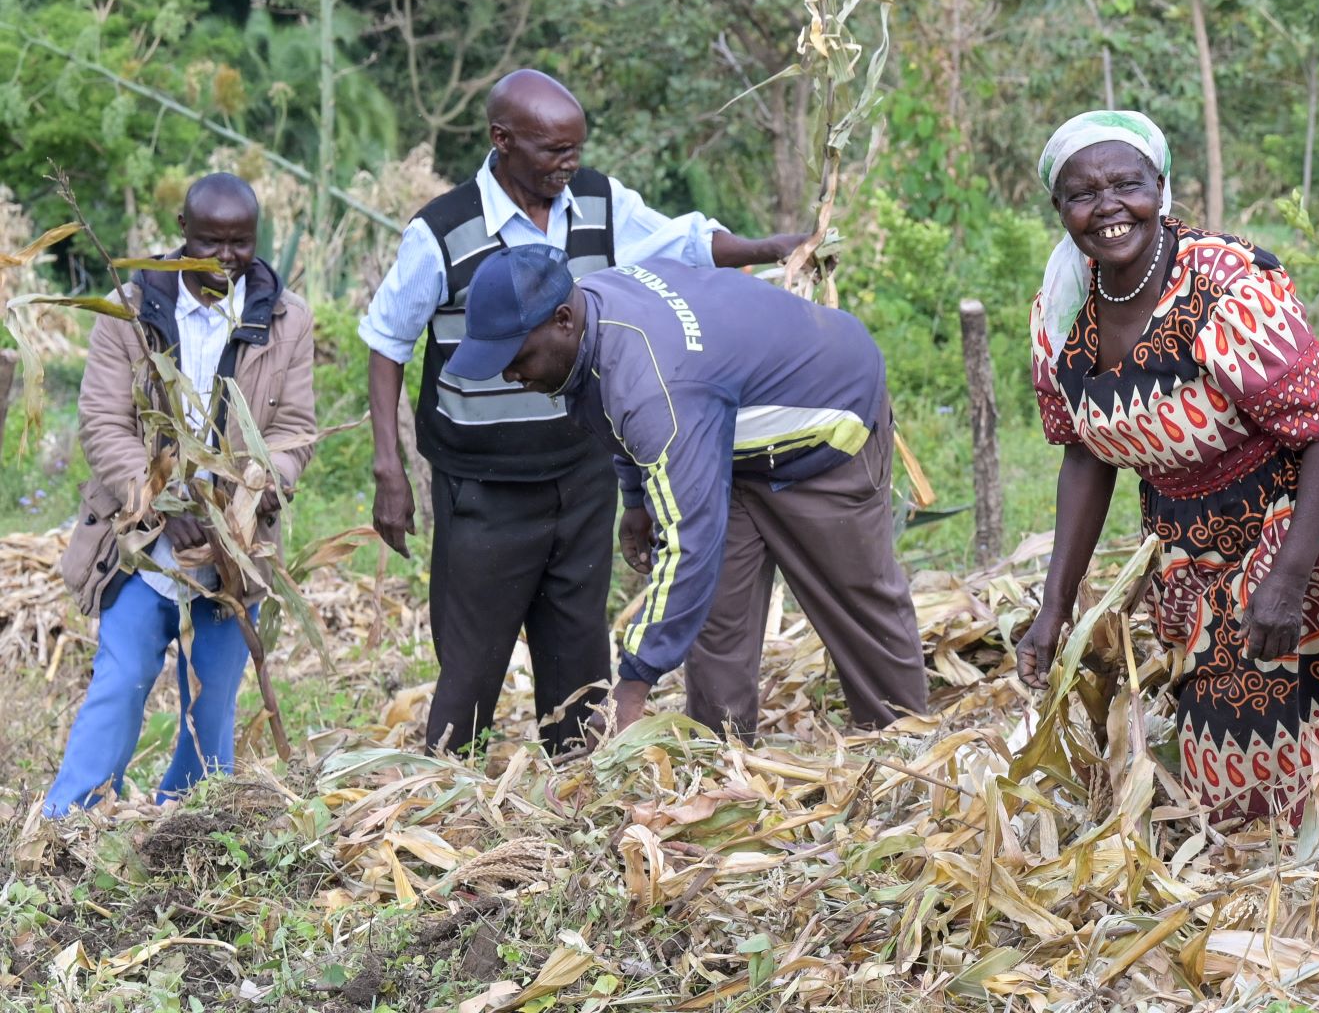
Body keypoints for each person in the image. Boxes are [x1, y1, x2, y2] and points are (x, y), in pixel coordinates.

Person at [359, 68, 805, 754]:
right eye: (552, 151)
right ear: (501, 140)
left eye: (575, 149)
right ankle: (449, 788)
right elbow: (387, 340)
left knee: (579, 654)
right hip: (483, 485)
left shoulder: (598, 202)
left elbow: (682, 242)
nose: (568, 164)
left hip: (583, 471)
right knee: (472, 660)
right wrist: (389, 468)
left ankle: (578, 783)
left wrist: (769, 250)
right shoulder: (442, 231)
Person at [1015, 111, 1319, 824]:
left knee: (1312, 738)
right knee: (1221, 751)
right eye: (1083, 193)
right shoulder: (1062, 310)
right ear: (1060, 210)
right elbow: (1084, 457)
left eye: (1127, 185)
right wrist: (1053, 608)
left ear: (1162, 188)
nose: (1108, 207)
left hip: (1300, 524)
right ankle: (1257, 895)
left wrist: (1290, 576)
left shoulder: (1223, 286)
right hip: (1189, 547)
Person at [453, 245, 927, 736]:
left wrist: (633, 685)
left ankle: (904, 749)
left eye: (516, 356)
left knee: (856, 602)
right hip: (722, 434)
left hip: (826, 420)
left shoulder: (656, 384)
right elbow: (622, 410)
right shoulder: (599, 305)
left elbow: (687, 538)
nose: (510, 374)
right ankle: (723, 763)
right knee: (717, 619)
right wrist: (635, 500)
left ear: (564, 319)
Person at [45, 174, 315, 813]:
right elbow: (104, 423)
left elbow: (295, 432)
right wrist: (163, 505)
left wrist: (244, 495)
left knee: (214, 692)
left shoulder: (285, 317)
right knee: (123, 677)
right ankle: (66, 822)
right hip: (141, 541)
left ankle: (188, 823)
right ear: (181, 229)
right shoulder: (130, 308)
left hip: (235, 548)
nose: (225, 258)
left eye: (241, 243)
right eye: (210, 242)